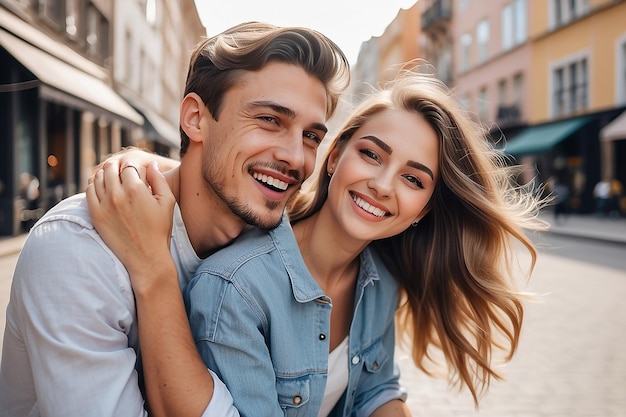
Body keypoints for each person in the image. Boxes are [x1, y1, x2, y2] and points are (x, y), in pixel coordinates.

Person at [87, 70, 547, 416]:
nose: (383, 185)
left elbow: (376, 390)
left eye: (412, 178)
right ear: (335, 157)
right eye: (371, 154)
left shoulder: (381, 277)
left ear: (423, 211)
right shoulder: (237, 287)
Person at [0, 21, 350, 417]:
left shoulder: (269, 248)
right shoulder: (77, 251)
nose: (296, 157)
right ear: (196, 119)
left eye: (311, 137)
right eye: (270, 119)